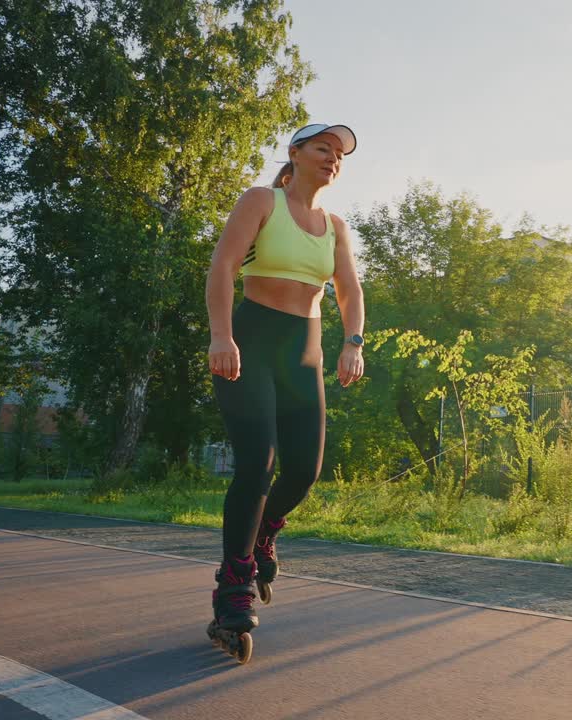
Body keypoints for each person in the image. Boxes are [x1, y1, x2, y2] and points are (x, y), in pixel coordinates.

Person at [204, 122, 365, 650]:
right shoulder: (261, 201)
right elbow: (223, 266)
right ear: (295, 153)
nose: (333, 158)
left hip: (304, 351)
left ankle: (265, 531)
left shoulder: (335, 225)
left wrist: (352, 343)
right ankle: (234, 588)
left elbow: (348, 289)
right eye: (324, 148)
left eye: (339, 154)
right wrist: (222, 335)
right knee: (258, 464)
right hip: (251, 340)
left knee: (305, 469)